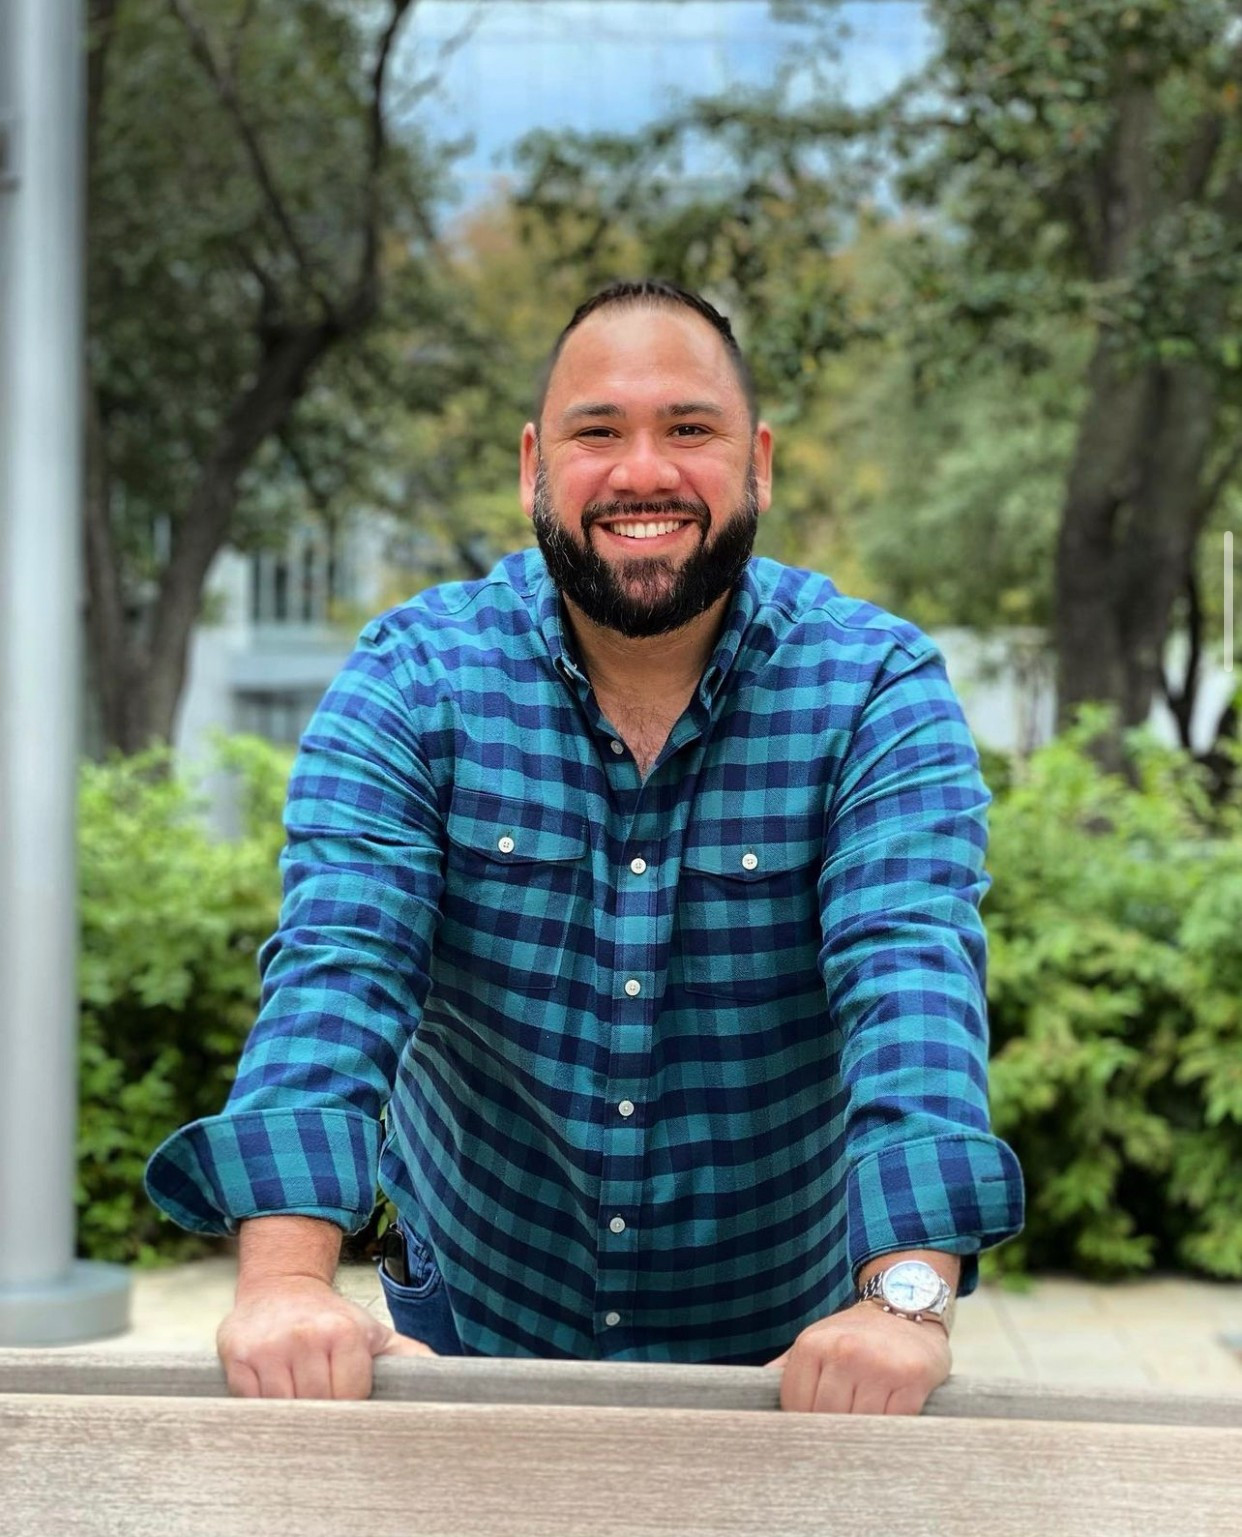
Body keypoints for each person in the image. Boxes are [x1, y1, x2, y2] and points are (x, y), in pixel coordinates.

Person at [145, 279, 1023, 1414]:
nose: (643, 470)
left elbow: (909, 981)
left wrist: (903, 1303)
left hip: (787, 1350)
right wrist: (285, 1284)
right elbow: (337, 973)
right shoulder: (413, 681)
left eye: (689, 429)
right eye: (597, 431)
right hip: (470, 1323)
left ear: (758, 464)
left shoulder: (876, 692)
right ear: (532, 467)